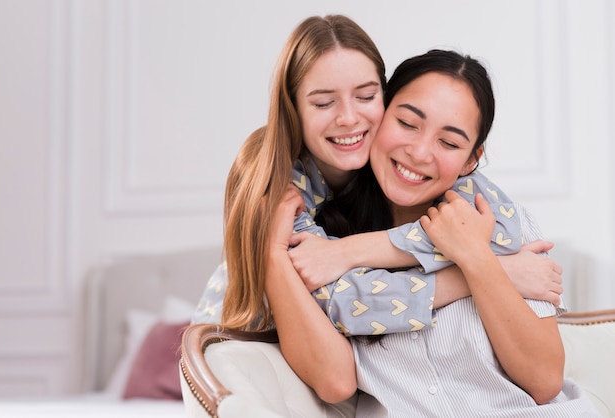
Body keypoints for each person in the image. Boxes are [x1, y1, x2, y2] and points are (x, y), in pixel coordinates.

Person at [266, 49, 600, 416]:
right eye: (408, 123)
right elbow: (333, 379)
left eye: (450, 142)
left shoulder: (501, 226)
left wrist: (477, 259)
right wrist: (271, 250)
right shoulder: (319, 243)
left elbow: (544, 380)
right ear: (379, 117)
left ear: (471, 160)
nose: (420, 152)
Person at [192, 15, 563, 332]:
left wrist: (348, 252)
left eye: (366, 97)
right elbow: (346, 304)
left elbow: (497, 231)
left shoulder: (391, 164)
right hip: (240, 349)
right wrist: (489, 276)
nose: (349, 117)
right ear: (292, 108)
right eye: (323, 102)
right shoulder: (279, 182)